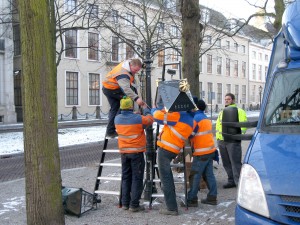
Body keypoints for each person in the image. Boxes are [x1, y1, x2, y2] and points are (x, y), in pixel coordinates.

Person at [151, 107, 195, 215]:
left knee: (166, 179)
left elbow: (157, 116)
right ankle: (172, 205)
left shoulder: (178, 116)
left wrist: (153, 110)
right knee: (167, 178)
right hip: (173, 149)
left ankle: (171, 208)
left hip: (165, 149)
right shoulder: (191, 120)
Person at [114, 96, 154, 212]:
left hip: (124, 153)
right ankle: (134, 205)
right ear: (131, 106)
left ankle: (125, 203)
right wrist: (145, 109)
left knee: (126, 177)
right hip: (136, 152)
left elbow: (127, 119)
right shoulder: (137, 118)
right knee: (137, 178)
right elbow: (150, 120)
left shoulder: (117, 119)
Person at [184, 100, 218, 207]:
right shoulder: (204, 117)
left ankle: (191, 199)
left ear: (195, 107)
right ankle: (212, 197)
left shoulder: (196, 119)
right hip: (210, 151)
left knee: (195, 175)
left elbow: (191, 134)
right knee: (209, 175)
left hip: (201, 153)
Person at [102, 58, 145, 138]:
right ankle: (119, 126)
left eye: (137, 70)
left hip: (110, 88)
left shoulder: (128, 64)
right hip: (111, 89)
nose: (136, 72)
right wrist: (137, 99)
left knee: (115, 108)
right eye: (135, 70)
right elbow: (126, 89)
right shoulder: (123, 74)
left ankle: (111, 131)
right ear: (131, 65)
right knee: (125, 104)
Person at [216, 93, 247, 189]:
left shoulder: (239, 111)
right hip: (221, 140)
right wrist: (218, 138)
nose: (226, 101)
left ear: (233, 100)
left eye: (228, 99)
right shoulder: (222, 111)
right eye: (225, 99)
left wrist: (236, 136)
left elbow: (243, 125)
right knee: (226, 162)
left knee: (235, 162)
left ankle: (239, 183)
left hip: (232, 141)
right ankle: (231, 180)